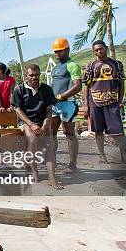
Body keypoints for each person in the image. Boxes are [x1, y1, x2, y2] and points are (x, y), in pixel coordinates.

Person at [83, 40, 126, 164]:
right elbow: (87, 87)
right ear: (93, 51)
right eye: (96, 50)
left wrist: (120, 101)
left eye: (101, 48)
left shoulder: (116, 64)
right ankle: (102, 156)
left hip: (112, 102)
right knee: (98, 131)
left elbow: (121, 84)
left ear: (105, 48)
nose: (99, 51)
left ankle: (124, 157)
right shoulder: (90, 66)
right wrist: (86, 105)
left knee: (119, 131)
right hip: (95, 102)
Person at [11, 64, 62, 189]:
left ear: (40, 75)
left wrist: (45, 124)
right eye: (31, 75)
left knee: (49, 145)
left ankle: (52, 177)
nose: (34, 77)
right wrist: (31, 124)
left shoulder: (46, 89)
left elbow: (49, 110)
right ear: (26, 76)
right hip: (26, 122)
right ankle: (34, 171)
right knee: (32, 140)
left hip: (42, 121)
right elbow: (18, 110)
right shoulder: (19, 89)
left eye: (37, 75)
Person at [50, 38, 82, 174]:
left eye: (60, 51)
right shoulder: (55, 68)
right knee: (51, 134)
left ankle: (72, 165)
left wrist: (61, 97)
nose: (57, 54)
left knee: (69, 134)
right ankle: (52, 162)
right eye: (55, 51)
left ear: (67, 50)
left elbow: (77, 86)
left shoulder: (72, 65)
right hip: (54, 105)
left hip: (68, 104)